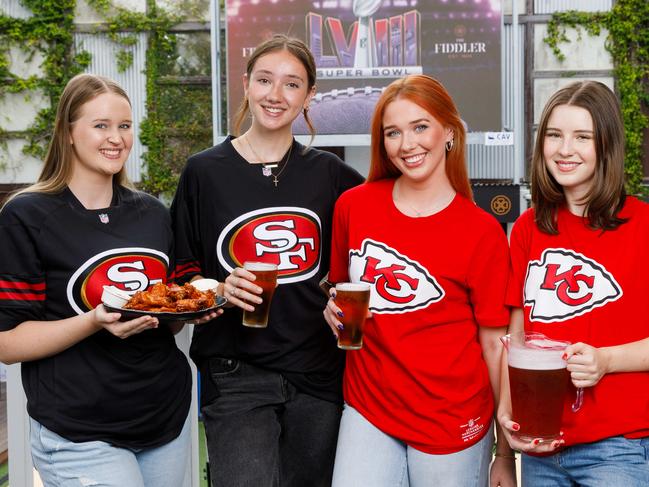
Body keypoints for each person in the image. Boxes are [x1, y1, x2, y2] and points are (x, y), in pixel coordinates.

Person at [0, 74, 217, 486]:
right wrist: (92, 320)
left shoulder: (152, 213)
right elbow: (7, 343)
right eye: (100, 125)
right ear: (67, 133)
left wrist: (192, 310)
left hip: (163, 419)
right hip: (79, 430)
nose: (116, 138)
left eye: (124, 126)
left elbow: (165, 316)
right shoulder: (26, 215)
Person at [170, 34, 364, 487]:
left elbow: (381, 237)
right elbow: (181, 272)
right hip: (235, 373)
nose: (276, 95)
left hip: (318, 373)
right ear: (245, 84)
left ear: (310, 95)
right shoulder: (204, 171)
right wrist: (217, 288)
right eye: (264, 80)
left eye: (292, 84)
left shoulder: (332, 175)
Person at [323, 74, 516, 487]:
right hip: (369, 407)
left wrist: (504, 451)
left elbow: (494, 346)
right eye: (393, 132)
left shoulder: (482, 231)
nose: (407, 144)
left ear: (449, 131)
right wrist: (331, 304)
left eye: (420, 127)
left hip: (452, 420)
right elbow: (339, 285)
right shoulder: (354, 207)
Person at [498, 80, 649, 486]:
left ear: (607, 145)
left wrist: (606, 361)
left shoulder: (643, 226)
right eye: (554, 135)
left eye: (582, 136)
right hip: (540, 448)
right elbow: (517, 334)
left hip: (618, 447)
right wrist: (505, 442)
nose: (565, 150)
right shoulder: (529, 226)